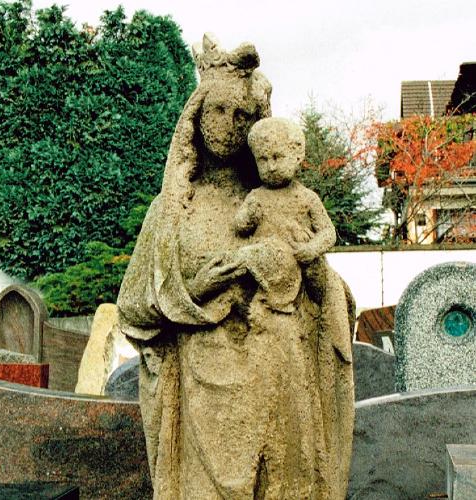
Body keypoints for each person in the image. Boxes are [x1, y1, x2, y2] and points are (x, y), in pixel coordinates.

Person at [117, 33, 354, 500]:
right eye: (219, 111)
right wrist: (202, 285)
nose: (228, 125)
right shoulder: (172, 211)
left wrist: (311, 271)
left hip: (279, 374)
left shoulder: (283, 202)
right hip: (205, 394)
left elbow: (328, 293)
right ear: (197, 114)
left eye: (243, 116)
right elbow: (134, 308)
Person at [234, 117, 336, 311]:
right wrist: (248, 218)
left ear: (297, 157)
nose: (271, 167)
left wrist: (312, 249)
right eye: (263, 160)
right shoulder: (256, 197)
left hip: (300, 267)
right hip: (265, 271)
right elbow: (239, 225)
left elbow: (328, 233)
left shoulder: (306, 197)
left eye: (277, 157)